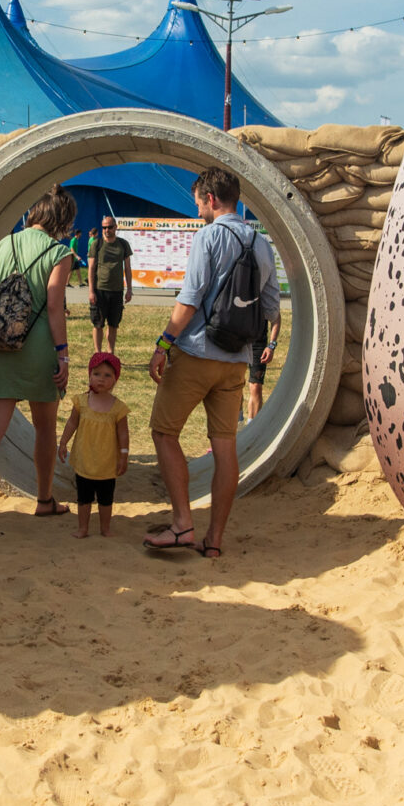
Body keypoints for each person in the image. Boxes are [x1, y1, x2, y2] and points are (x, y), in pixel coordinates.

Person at [142, 167, 278, 559]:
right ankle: (214, 539)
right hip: (236, 362)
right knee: (225, 446)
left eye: (198, 202)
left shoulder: (209, 236)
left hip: (197, 353)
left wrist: (163, 343)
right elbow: (271, 308)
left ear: (211, 199)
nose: (197, 209)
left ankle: (183, 524)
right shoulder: (262, 243)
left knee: (164, 432)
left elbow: (190, 297)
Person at [0, 188, 75, 527]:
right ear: (62, 220)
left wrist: (9, 300)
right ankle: (44, 500)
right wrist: (63, 355)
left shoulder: (0, 246)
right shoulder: (60, 253)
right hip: (38, 349)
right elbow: (54, 306)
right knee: (45, 428)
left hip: (0, 347)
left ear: (35, 213)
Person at [57, 351, 130, 539]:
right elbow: (72, 423)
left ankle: (105, 528)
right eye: (96, 374)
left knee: (106, 499)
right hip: (84, 461)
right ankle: (83, 528)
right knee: (83, 498)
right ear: (89, 375)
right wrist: (63, 442)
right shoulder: (81, 402)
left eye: (107, 375)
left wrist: (124, 454)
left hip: (107, 464)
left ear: (115, 379)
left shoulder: (118, 408)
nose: (101, 379)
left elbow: (123, 433)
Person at [86, 215, 134, 356]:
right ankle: (98, 354)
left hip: (117, 291)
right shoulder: (97, 244)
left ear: (115, 227)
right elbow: (91, 268)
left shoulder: (123, 244)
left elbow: (128, 268)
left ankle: (110, 353)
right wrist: (91, 291)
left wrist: (129, 289)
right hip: (99, 290)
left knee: (113, 324)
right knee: (98, 324)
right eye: (104, 227)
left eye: (109, 227)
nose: (107, 230)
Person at [245, 303, 283, 422]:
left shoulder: (263, 294)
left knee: (256, 386)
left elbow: (276, 317)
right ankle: (238, 420)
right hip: (237, 340)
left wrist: (271, 345)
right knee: (232, 383)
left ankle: (252, 425)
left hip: (258, 343)